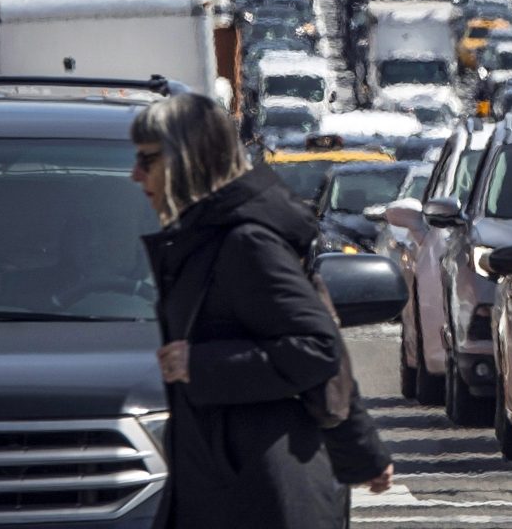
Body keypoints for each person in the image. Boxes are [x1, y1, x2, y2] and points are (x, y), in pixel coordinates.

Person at [132, 93, 392, 529]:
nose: (135, 174)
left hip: (263, 492)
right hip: (227, 485)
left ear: (188, 160)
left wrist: (200, 363)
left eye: (148, 159)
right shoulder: (206, 238)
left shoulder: (244, 243)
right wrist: (362, 453)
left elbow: (317, 349)